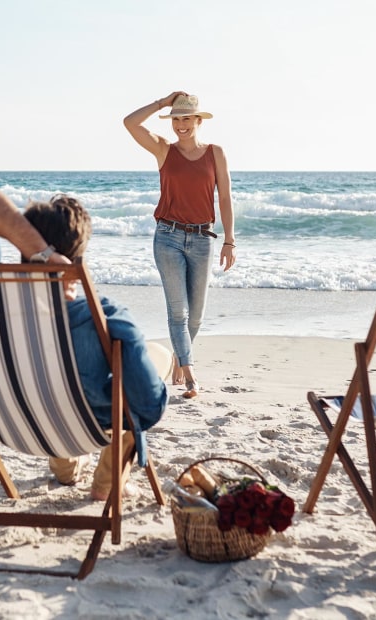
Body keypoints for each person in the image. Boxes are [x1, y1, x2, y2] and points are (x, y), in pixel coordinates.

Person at [0, 176, 169, 501]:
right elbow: (149, 406)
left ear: (21, 244)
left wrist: (38, 253)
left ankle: (65, 467)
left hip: (8, 422)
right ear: (79, 255)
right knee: (155, 361)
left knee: (52, 378)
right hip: (81, 427)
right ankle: (105, 484)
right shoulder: (102, 316)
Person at [124, 91, 235, 399]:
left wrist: (230, 240)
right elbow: (129, 122)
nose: (181, 125)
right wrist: (162, 103)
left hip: (203, 239)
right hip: (168, 237)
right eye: (176, 119)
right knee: (178, 313)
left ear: (198, 121)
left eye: (187, 119)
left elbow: (224, 198)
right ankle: (190, 374)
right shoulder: (163, 150)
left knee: (196, 315)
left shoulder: (216, 153)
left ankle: (178, 359)